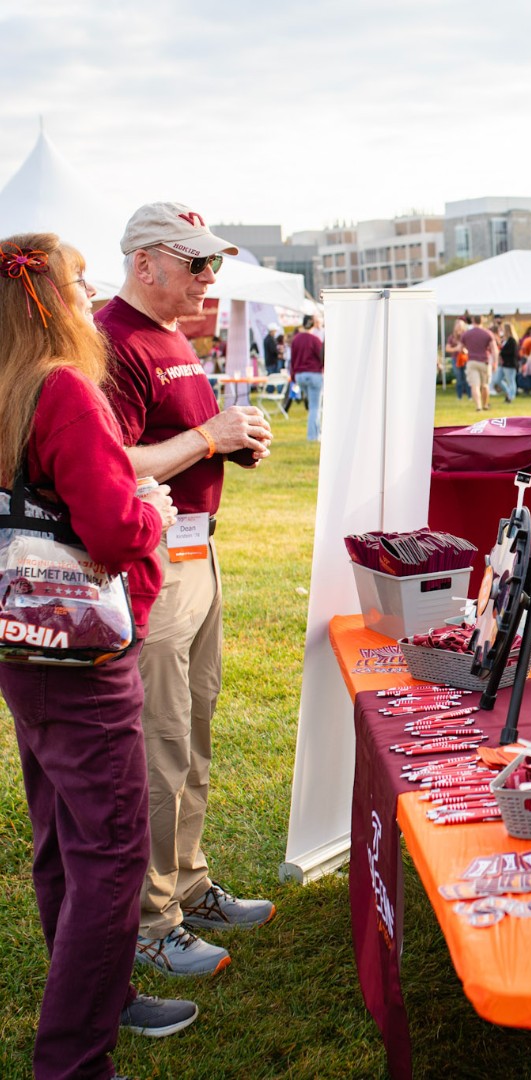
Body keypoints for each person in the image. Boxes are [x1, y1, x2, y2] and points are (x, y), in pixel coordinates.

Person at [0, 232, 196, 1078]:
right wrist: (152, 510)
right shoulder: (64, 389)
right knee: (112, 851)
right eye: (80, 287)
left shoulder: (10, 384)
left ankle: (100, 996)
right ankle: (75, 1058)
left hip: (24, 642)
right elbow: (115, 532)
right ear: (51, 302)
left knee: (61, 837)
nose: (93, 301)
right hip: (82, 653)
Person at [96, 202, 276, 979]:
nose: (209, 277)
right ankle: (150, 921)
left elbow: (174, 441)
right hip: (154, 565)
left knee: (192, 728)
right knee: (160, 744)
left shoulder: (169, 336)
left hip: (196, 553)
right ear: (145, 264)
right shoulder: (112, 340)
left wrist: (231, 443)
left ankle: (189, 884)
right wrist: (208, 438)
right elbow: (109, 462)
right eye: (196, 262)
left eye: (214, 263)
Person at [290, 314, 325, 441]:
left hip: (300, 375)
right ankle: (313, 436)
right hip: (313, 374)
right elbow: (322, 356)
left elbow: (292, 360)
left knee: (312, 405)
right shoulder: (314, 340)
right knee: (315, 407)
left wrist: (293, 376)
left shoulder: (296, 339)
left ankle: (316, 432)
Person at [460, 314, 496, 411]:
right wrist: (495, 362)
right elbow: (494, 350)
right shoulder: (487, 333)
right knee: (485, 385)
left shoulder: (466, 334)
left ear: (473, 321)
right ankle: (485, 405)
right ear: (482, 321)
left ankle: (478, 406)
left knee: (474, 385)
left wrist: (466, 351)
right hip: (484, 361)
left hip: (471, 361)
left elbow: (461, 348)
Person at [491, 321, 519, 403]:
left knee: (511, 381)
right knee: (497, 380)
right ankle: (508, 392)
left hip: (510, 364)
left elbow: (512, 352)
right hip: (503, 364)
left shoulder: (512, 341)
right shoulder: (504, 340)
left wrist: (501, 352)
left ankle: (511, 396)